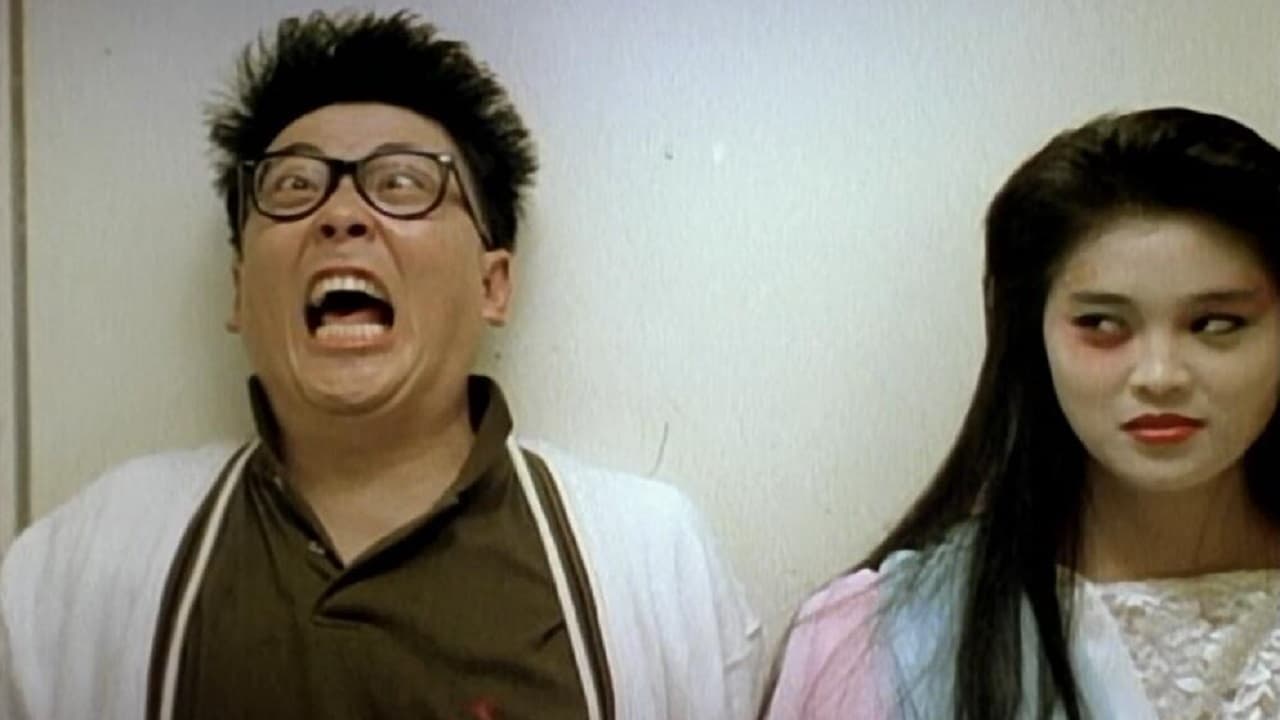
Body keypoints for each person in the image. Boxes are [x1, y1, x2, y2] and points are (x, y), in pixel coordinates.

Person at [0, 11, 762, 720]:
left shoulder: (655, 567)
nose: (340, 214)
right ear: (239, 289)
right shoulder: (77, 573)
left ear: (493, 285)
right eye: (294, 185)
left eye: (402, 182)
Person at [764, 107, 1280, 719]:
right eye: (1102, 324)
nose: (1160, 375)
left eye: (1217, 324)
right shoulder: (876, 641)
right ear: (1036, 334)